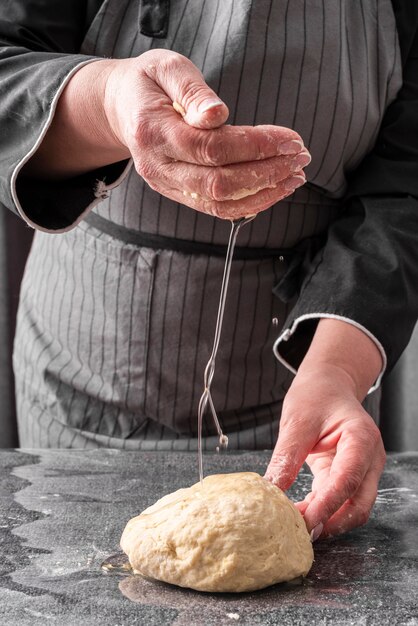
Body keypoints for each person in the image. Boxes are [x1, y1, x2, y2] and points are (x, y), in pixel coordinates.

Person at [0, 1, 417, 543]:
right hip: (83, 357)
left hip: (310, 373)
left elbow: (406, 185)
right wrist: (107, 102)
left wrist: (337, 371)